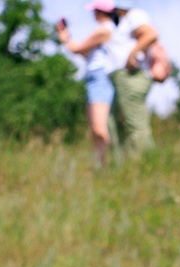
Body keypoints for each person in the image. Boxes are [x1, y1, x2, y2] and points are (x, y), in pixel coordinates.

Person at [54, 1, 131, 168]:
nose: (92, 14)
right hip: (94, 77)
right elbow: (84, 53)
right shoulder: (104, 29)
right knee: (95, 130)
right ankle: (102, 166)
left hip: (100, 78)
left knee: (99, 129)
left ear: (101, 11)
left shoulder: (104, 29)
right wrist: (68, 38)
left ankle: (113, 164)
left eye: (94, 11)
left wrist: (65, 37)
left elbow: (77, 49)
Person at [107, 9, 172, 157]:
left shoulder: (134, 15)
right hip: (123, 77)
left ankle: (148, 165)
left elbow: (151, 34)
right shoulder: (125, 20)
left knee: (135, 125)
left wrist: (132, 54)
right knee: (114, 123)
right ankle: (124, 166)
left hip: (131, 77)